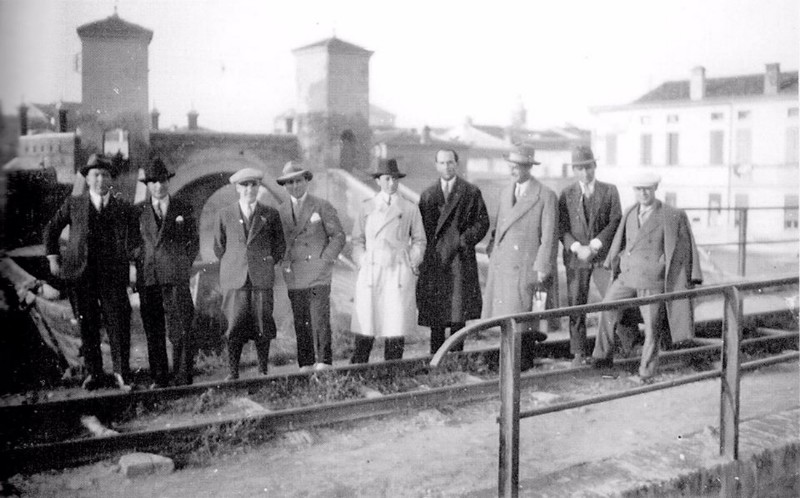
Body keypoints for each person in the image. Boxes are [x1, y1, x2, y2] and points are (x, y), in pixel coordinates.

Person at [591, 171, 703, 382]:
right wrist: (616, 262)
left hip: (653, 280)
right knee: (606, 308)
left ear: (655, 189)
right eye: (638, 189)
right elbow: (620, 243)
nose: (643, 193)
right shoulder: (630, 212)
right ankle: (601, 357)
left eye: (647, 189)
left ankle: (646, 371)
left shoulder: (671, 215)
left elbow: (684, 251)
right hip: (627, 277)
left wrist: (685, 275)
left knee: (652, 326)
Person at [43, 153, 138, 390]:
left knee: (118, 322)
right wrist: (53, 259)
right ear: (87, 179)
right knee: (87, 323)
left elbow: (135, 239)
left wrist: (133, 265)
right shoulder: (74, 204)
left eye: (105, 175)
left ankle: (121, 373)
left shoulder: (122, 207)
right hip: (81, 274)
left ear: (111, 179)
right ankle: (94, 373)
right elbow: (51, 229)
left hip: (112, 275)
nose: (100, 180)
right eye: (95, 175)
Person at [482, 145, 558, 371]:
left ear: (528, 168)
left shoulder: (545, 195)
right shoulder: (506, 192)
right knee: (507, 317)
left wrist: (543, 266)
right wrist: (493, 252)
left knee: (525, 316)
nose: (512, 171)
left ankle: (522, 364)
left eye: (517, 167)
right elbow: (499, 228)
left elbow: (549, 236)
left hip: (527, 266)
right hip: (504, 264)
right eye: (511, 166)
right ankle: (509, 361)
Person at [350, 158, 426, 363]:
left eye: (395, 179)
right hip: (372, 269)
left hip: (398, 270)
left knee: (395, 324)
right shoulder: (367, 207)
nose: (391, 183)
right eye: (386, 179)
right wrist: (363, 260)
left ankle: (392, 370)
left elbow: (419, 240)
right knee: (367, 322)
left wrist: (411, 262)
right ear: (378, 181)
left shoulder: (409, 208)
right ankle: (358, 369)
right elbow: (357, 240)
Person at [214, 167, 285, 380]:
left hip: (261, 278)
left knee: (263, 323)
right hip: (235, 278)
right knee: (234, 324)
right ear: (237, 188)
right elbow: (219, 247)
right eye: (244, 185)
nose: (249, 189)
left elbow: (279, 246)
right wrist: (235, 262)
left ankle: (263, 370)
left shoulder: (270, 214)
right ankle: (233, 372)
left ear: (259, 187)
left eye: (253, 184)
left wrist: (266, 263)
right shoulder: (224, 214)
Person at [416, 149, 489, 354]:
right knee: (437, 314)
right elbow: (420, 229)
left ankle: (457, 359)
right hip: (436, 261)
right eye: (442, 163)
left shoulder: (470, 192)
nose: (446, 167)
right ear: (436, 165)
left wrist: (463, 240)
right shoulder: (428, 195)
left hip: (460, 259)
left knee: (458, 314)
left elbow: (482, 222)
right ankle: (436, 359)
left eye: (450, 162)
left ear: (456, 164)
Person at [135, 158, 199, 387]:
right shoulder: (138, 211)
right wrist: (144, 258)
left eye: (162, 181)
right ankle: (160, 377)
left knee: (181, 325)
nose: (158, 186)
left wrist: (182, 263)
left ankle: (182, 375)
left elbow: (193, 241)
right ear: (147, 185)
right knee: (154, 329)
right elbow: (130, 243)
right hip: (149, 276)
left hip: (176, 276)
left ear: (168, 182)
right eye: (153, 182)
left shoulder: (183, 207)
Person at [276, 161, 345, 371]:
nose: (294, 186)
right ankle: (305, 365)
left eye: (298, 181)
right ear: (285, 186)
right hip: (295, 274)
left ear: (306, 181)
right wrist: (284, 262)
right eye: (289, 183)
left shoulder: (321, 205)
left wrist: (325, 259)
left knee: (319, 319)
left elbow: (338, 236)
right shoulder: (280, 211)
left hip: (318, 273)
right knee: (301, 320)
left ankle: (324, 363)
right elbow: (277, 243)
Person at [558, 145, 622, 365]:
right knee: (576, 304)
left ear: (595, 166)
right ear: (574, 170)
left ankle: (616, 347)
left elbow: (615, 221)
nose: (585, 173)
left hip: (603, 258)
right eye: (580, 169)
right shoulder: (566, 194)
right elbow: (561, 227)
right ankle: (578, 352)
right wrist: (577, 247)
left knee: (613, 300)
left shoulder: (609, 191)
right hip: (576, 259)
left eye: (588, 167)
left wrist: (595, 245)